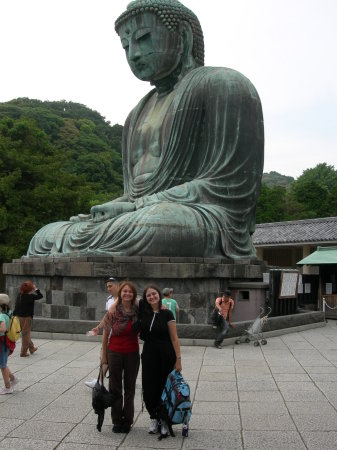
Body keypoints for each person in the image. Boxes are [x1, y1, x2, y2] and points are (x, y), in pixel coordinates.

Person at [27, 0, 264, 260]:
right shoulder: (135, 114)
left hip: (204, 219)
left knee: (156, 224)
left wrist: (137, 206)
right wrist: (119, 207)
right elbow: (134, 193)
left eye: (144, 39)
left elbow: (229, 186)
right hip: (138, 216)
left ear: (182, 36)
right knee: (47, 235)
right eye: (126, 46)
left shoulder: (224, 85)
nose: (134, 54)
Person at [139, 285, 182, 438]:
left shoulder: (167, 313)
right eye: (148, 295)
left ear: (159, 295)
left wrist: (178, 359)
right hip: (149, 354)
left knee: (165, 387)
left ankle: (164, 419)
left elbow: (174, 338)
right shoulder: (143, 312)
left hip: (166, 354)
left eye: (154, 294)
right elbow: (131, 300)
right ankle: (153, 417)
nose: (152, 297)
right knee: (149, 386)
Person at [101, 281, 140, 434]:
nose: (127, 294)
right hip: (114, 352)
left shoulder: (137, 309)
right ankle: (117, 421)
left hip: (132, 352)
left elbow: (150, 303)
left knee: (130, 388)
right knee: (115, 387)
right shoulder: (112, 311)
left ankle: (128, 421)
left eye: (130, 292)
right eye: (124, 291)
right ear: (119, 293)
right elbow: (105, 335)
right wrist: (104, 357)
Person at [85, 276, 119, 388]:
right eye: (107, 286)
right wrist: (98, 327)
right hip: (110, 334)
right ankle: (99, 382)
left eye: (111, 286)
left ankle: (101, 382)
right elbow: (107, 317)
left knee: (111, 359)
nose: (109, 288)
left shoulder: (126, 297)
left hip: (121, 335)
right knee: (104, 357)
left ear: (117, 285)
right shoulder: (109, 300)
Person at [13, 280, 43, 357]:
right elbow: (40, 296)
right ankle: (23, 352)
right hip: (27, 318)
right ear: (30, 289)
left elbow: (16, 307)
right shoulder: (30, 297)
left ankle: (32, 348)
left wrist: (14, 316)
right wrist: (35, 289)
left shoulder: (19, 295)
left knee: (25, 333)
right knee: (25, 335)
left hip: (18, 317)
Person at [0, 294, 18, 394]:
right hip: (7, 341)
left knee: (3, 365)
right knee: (3, 363)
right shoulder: (9, 312)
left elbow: (3, 328)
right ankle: (13, 378)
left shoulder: (1, 315)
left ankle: (8, 387)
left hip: (2, 342)